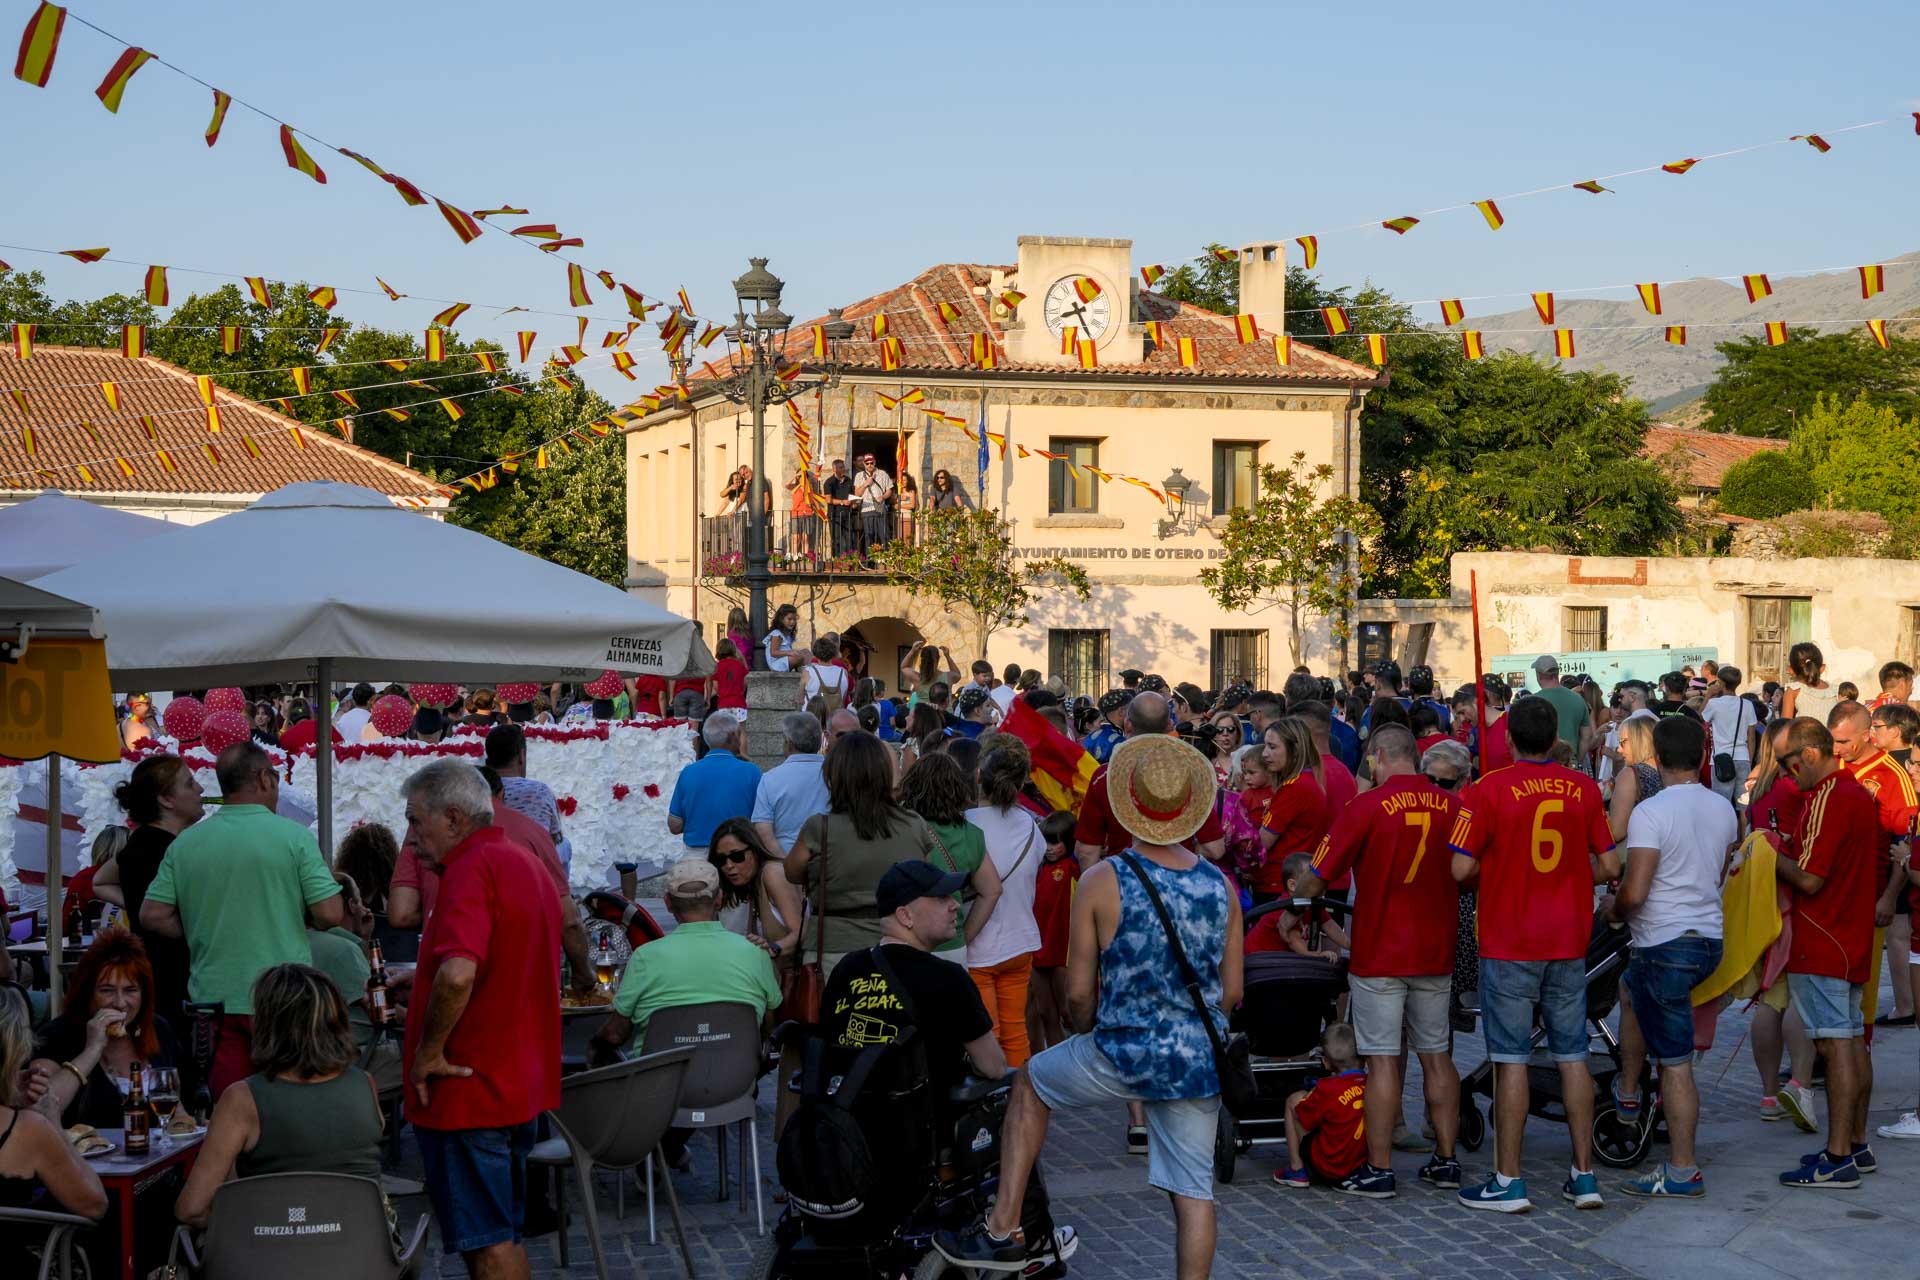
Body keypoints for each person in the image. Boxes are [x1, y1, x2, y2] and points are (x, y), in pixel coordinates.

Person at [939, 735, 1241, 1280]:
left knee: (1030, 1083)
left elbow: (1078, 994)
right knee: (1194, 1192)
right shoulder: (1219, 885)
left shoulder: (1103, 879)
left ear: (1132, 805)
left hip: (1121, 1044)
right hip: (1193, 1057)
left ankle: (1003, 1226)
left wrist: (1085, 1031)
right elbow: (1233, 992)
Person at [1449, 695, 1616, 1212]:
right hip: (1567, 940)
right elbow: (1609, 865)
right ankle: (1584, 1175)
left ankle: (1509, 1179)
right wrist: (1567, 873)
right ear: (1557, 738)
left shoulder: (1486, 789)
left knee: (1511, 1057)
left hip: (1509, 939)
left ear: (1510, 738)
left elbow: (1458, 871)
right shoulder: (1584, 788)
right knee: (1573, 1055)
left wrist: (1501, 871)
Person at [401, 760, 560, 1276]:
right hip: (513, 1082)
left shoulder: (471, 868)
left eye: (415, 821)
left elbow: (459, 976)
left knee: (488, 1244)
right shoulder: (523, 860)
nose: (411, 838)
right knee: (503, 1234)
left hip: (471, 1090)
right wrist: (423, 976)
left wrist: (428, 1052)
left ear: (452, 818)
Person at [1292, 724, 1463, 1195]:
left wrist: (1300, 901)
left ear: (1380, 755)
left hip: (1380, 949)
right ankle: (1447, 1160)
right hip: (1435, 948)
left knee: (1383, 1061)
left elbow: (1318, 874)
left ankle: (1381, 1168)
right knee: (1437, 1055)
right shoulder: (1454, 805)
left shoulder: (1365, 806)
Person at [140, 743, 344, 1098]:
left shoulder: (187, 843)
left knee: (230, 1106)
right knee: (289, 1103)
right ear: (265, 778)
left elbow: (152, 915)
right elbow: (330, 914)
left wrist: (202, 930)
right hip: (284, 997)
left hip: (213, 999)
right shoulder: (293, 837)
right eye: (276, 778)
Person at [1602, 716, 1735, 1198]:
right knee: (1630, 989)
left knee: (1676, 1064)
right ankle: (1630, 1093)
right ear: (1701, 757)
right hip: (1707, 940)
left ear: (1655, 758)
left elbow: (1635, 891)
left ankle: (1682, 1169)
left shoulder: (1651, 812)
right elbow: (1717, 871)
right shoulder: (1724, 809)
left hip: (1665, 941)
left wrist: (1612, 910)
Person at [1761, 717, 1885, 1186]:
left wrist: (1769, 855)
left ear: (1810, 755)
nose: (1789, 777)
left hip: (1824, 935)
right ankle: (1855, 1144)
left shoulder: (1828, 796)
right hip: (1848, 934)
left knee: (1835, 1047)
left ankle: (1838, 1157)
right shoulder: (1853, 792)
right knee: (1851, 1042)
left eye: (1791, 766)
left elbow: (1811, 878)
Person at [175, 964, 385, 1228]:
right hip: (365, 1255)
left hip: (271, 1259)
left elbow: (191, 1209)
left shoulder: (242, 1099)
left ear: (266, 1024)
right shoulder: (366, 1084)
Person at [593, 858, 781, 1058]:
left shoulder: (645, 957)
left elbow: (615, 1034)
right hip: (736, 1080)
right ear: (719, 899)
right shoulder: (754, 952)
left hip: (659, 1082)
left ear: (667, 903)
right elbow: (771, 1024)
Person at [785, 731, 936, 973]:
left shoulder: (819, 828)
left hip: (834, 948)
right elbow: (926, 876)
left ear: (834, 776)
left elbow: (791, 872)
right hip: (901, 945)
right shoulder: (913, 824)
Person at [31, 929, 181, 1129]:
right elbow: (40, 1112)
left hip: (153, 1156)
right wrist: (92, 1050)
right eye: (107, 990)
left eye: (131, 990)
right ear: (87, 993)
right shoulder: (58, 1034)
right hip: (81, 1157)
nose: (120, 1003)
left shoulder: (157, 1028)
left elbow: (178, 1113)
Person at [0, 991, 107, 1269]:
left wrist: (10, 1095)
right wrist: (53, 1124)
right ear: (14, 1048)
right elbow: (95, 1205)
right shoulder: (26, 1129)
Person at [1828, 700, 1916, 1039]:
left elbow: (1902, 844)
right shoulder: (1831, 764)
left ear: (1866, 736)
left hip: (1869, 894)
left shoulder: (1893, 776)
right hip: (1830, 891)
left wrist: (1890, 898)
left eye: (1844, 742)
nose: (1838, 749)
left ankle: (1853, 1050)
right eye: (1833, 741)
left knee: (1859, 984)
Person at [1075, 692, 1227, 869]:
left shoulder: (1104, 777)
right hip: (1180, 886)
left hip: (1121, 884)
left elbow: (1087, 852)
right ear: (1170, 724)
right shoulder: (1190, 773)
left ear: (1128, 724)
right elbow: (1214, 848)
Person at [966, 742, 1045, 1067]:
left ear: (979, 775)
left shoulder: (966, 824)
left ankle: (992, 1107)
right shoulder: (1030, 824)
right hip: (1021, 941)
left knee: (988, 1034)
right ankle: (1016, 1103)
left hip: (978, 945)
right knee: (1015, 1033)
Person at [899, 751, 1004, 968]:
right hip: (951, 945)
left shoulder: (902, 829)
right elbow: (992, 890)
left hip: (906, 941)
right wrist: (964, 936)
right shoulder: (971, 834)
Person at [1273, 1024, 1369, 1191]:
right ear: (1363, 1058)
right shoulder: (1372, 1086)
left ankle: (1296, 1169)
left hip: (1330, 1166)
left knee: (1293, 1102)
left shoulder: (1326, 1088)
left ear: (1325, 1062)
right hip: (1360, 1165)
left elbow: (1305, 1116)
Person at [1254, 718, 1333, 902]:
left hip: (1277, 885)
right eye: (1265, 746)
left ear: (1295, 750)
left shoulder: (1294, 788)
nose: (1265, 754)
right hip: (1291, 882)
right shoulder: (1307, 782)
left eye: (1272, 747)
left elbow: (1260, 845)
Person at [668, 712, 764, 854]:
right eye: (740, 734)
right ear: (732, 737)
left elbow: (674, 825)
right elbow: (762, 822)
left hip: (698, 856)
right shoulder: (752, 772)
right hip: (739, 853)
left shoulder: (688, 772)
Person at [706, 818, 803, 957]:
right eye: (721, 860)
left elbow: (802, 931)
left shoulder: (772, 873)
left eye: (737, 856)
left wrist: (773, 948)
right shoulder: (748, 882)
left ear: (754, 851)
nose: (729, 865)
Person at [1026, 810, 1080, 1055]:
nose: (1049, 848)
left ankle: (1075, 1064)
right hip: (1038, 948)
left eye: (1055, 842)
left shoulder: (1073, 867)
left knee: (1069, 1014)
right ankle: (1048, 1065)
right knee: (1046, 1013)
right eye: (1045, 841)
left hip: (1063, 949)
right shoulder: (1037, 869)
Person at [751, 712, 831, 858]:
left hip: (786, 857)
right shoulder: (836, 774)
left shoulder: (770, 779)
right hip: (829, 859)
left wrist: (785, 865)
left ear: (789, 742)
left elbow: (763, 830)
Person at [485, 723, 564, 848]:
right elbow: (556, 839)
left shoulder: (476, 791)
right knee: (565, 847)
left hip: (487, 860)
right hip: (534, 862)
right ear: (521, 755)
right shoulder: (540, 791)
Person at [1702, 665, 1759, 802]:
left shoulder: (1714, 704)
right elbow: (1751, 737)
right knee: (1744, 804)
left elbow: (1701, 717)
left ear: (1720, 683)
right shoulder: (1747, 704)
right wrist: (1749, 761)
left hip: (1721, 758)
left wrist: (1709, 694)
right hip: (1743, 758)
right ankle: (1743, 824)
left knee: (1721, 802)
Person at [1607, 715, 1663, 843]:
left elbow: (1616, 832)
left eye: (1622, 742)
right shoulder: (1669, 772)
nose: (1619, 750)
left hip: (1637, 853)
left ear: (1640, 740)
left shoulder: (1631, 774)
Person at [1530, 655, 1594, 761]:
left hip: (1542, 763)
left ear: (1539, 675)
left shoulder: (1531, 702)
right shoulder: (1578, 699)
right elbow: (1586, 737)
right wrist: (1578, 760)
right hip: (1569, 762)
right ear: (1557, 674)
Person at [1782, 642, 1839, 726]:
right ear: (1822, 668)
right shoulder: (1834, 690)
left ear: (1791, 670)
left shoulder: (1793, 690)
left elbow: (1785, 725)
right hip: (1830, 738)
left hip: (1804, 738)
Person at [853, 453, 893, 555]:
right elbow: (857, 494)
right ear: (864, 464)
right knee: (869, 536)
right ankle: (870, 561)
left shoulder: (883, 474)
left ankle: (887, 559)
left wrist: (883, 497)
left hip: (880, 507)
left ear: (875, 462)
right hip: (866, 508)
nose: (869, 465)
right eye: (867, 463)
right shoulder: (859, 476)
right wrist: (866, 484)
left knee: (884, 535)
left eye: (871, 463)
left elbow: (889, 490)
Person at [800, 634, 851, 707]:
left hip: (813, 715)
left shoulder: (808, 671)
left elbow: (799, 698)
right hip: (835, 715)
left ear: (815, 652)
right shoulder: (843, 672)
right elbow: (847, 692)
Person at [1082, 690, 1131, 765]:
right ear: (1121, 711)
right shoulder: (1119, 742)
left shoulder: (1090, 736)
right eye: (1131, 710)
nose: (1132, 715)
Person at [787, 464, 820, 560]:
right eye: (801, 476)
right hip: (796, 514)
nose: (802, 478)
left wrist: (817, 510)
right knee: (796, 538)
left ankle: (805, 557)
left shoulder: (809, 488)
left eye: (804, 475)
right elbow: (787, 485)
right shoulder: (795, 487)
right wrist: (795, 476)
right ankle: (794, 556)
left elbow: (813, 500)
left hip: (808, 514)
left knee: (805, 538)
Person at [713, 638, 749, 714]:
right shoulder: (740, 665)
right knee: (740, 725)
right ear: (733, 650)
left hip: (723, 703)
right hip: (739, 702)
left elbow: (716, 686)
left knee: (725, 725)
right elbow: (745, 682)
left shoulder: (716, 667)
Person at [764, 602, 800, 673]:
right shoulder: (777, 634)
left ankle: (807, 671)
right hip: (776, 664)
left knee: (806, 652)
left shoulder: (788, 635)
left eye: (794, 619)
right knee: (800, 656)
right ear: (781, 619)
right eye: (789, 619)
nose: (792, 622)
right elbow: (773, 653)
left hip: (783, 660)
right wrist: (789, 652)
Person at [895, 469, 918, 542]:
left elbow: (912, 505)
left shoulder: (911, 491)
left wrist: (900, 506)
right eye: (901, 480)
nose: (903, 482)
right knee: (899, 539)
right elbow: (894, 504)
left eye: (904, 480)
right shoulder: (898, 492)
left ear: (908, 481)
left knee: (906, 539)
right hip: (898, 517)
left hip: (907, 517)